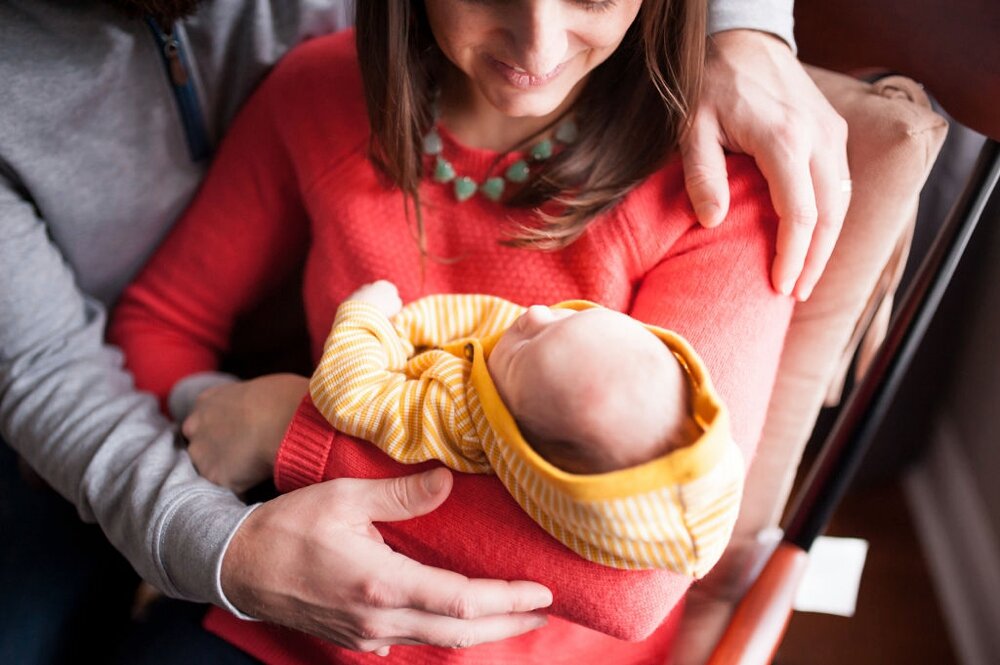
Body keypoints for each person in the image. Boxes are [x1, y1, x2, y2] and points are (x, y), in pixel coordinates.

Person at [0, 0, 849, 661]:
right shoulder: (316, 96)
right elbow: (161, 323)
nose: (539, 46)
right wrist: (217, 423)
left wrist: (293, 433)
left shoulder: (716, 185)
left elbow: (642, 577)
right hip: (289, 610)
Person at [309, 281, 742, 576]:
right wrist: (408, 328)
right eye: (570, 316)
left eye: (524, 350)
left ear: (514, 439)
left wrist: (368, 318)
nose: (534, 314)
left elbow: (347, 392)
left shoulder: (457, 417)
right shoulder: (530, 366)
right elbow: (479, 319)